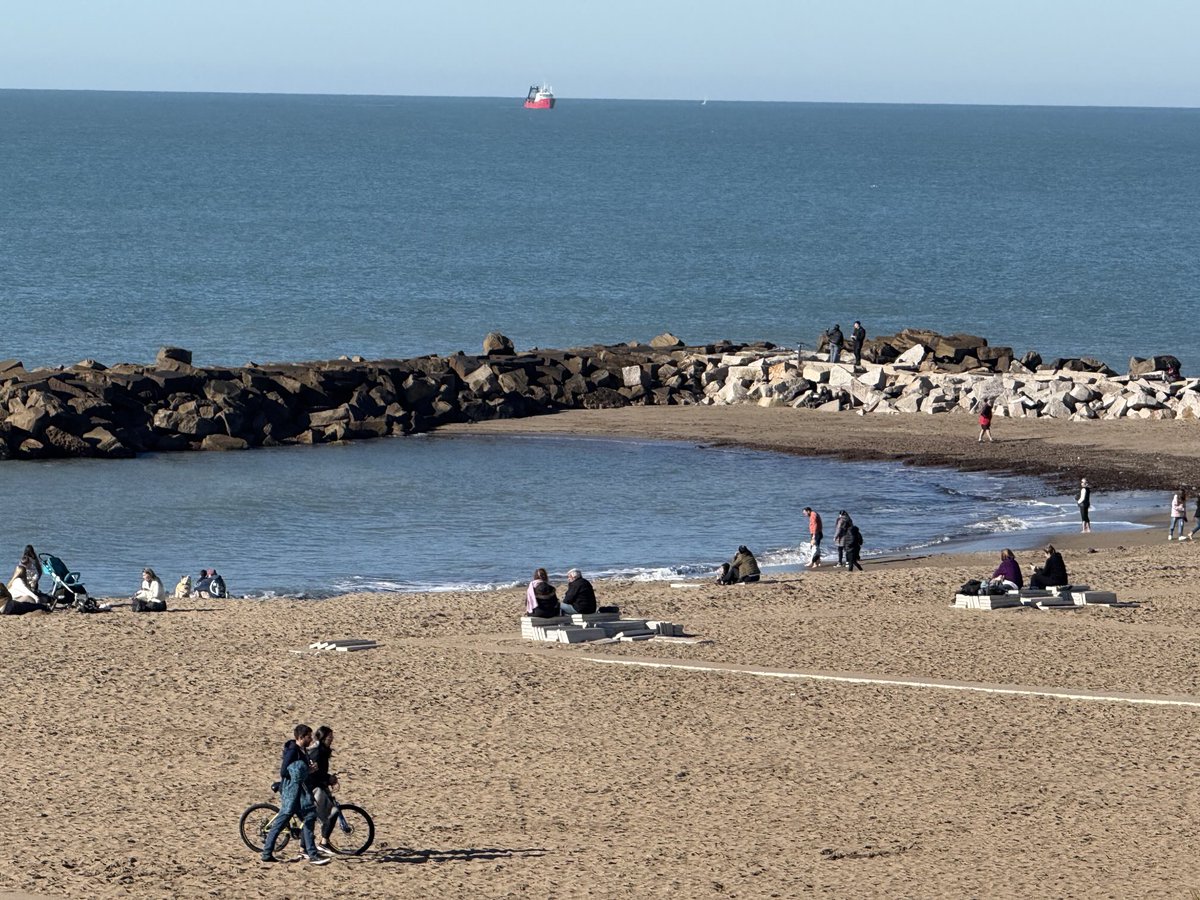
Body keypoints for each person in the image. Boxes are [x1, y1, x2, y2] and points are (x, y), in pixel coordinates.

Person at [262, 724, 329, 865]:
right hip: (291, 792)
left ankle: (311, 853)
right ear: (300, 737)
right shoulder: (293, 751)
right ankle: (267, 853)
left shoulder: (301, 750)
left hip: (299, 792)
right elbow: (284, 771)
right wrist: (305, 771)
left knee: (309, 817)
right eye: (308, 736)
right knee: (282, 821)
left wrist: (309, 770)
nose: (311, 739)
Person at [307, 725, 338, 854]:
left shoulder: (323, 751)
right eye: (330, 736)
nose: (332, 738)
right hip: (314, 787)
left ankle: (324, 841)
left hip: (319, 785)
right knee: (332, 811)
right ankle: (322, 843)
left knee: (331, 810)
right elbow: (313, 772)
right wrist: (328, 778)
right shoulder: (317, 752)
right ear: (324, 737)